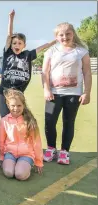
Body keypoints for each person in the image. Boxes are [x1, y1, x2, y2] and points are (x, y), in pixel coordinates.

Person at [42, 22, 92, 165]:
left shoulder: (81, 51)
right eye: (61, 35)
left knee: (68, 122)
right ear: (56, 37)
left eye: (68, 33)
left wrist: (86, 92)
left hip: (73, 94)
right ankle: (51, 148)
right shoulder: (51, 51)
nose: (65, 37)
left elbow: (87, 72)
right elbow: (44, 72)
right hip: (53, 94)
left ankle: (64, 152)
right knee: (49, 121)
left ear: (73, 33)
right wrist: (46, 89)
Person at [0, 9, 57, 117]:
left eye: (19, 43)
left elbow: (44, 46)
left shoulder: (27, 55)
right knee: (5, 118)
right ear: (11, 45)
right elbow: (9, 35)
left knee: (19, 118)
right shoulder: (8, 53)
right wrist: (11, 19)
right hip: (5, 92)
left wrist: (56, 40)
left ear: (24, 45)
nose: (16, 45)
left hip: (19, 93)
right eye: (14, 43)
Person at [0, 89, 43, 180]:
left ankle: (25, 166)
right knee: (9, 173)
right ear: (8, 105)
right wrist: (2, 156)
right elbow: (1, 140)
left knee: (20, 175)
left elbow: (36, 142)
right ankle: (13, 164)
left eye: (19, 105)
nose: (16, 108)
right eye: (13, 105)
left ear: (23, 105)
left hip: (26, 154)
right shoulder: (4, 121)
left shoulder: (30, 121)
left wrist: (39, 161)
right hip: (10, 153)